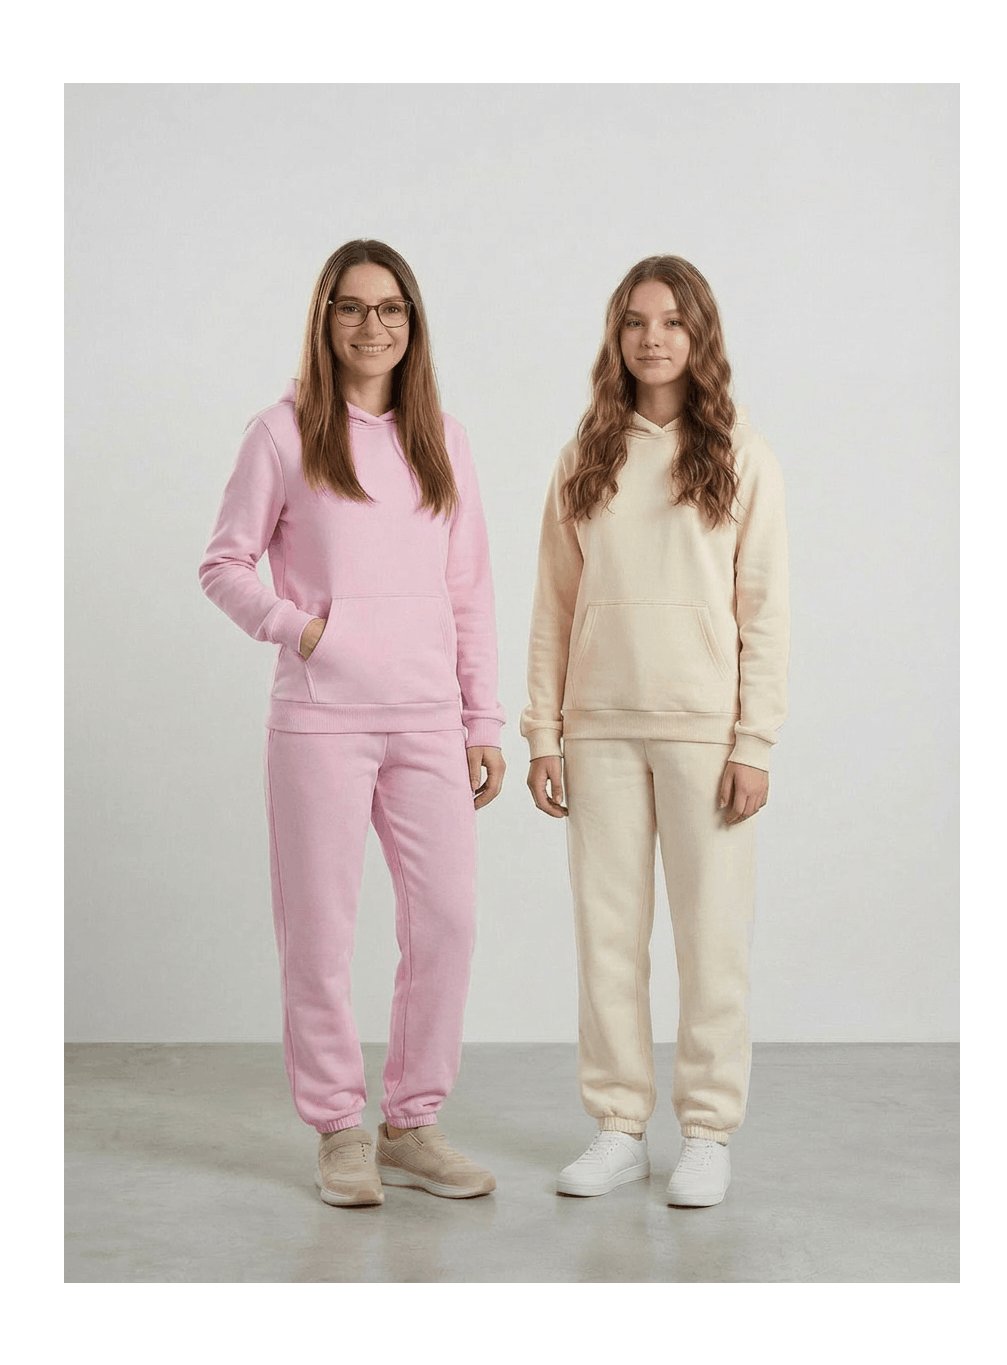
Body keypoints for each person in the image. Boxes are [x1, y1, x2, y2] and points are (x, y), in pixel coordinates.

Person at [199, 239, 505, 1207]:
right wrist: (304, 631)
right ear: (325, 319)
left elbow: (469, 589)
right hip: (321, 721)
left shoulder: (443, 438)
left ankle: (412, 1124)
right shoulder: (281, 434)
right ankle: (338, 1127)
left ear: (413, 323)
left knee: (447, 922)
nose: (373, 325)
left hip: (428, 719)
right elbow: (224, 564)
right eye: (352, 307)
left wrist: (482, 718)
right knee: (320, 933)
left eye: (391, 308)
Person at [522, 255, 789, 1207]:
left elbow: (765, 610)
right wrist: (543, 732)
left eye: (673, 321)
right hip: (597, 728)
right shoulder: (584, 455)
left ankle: (707, 1132)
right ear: (617, 335)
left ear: (699, 334)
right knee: (607, 937)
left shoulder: (742, 454)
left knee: (712, 939)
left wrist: (753, 741)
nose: (653, 337)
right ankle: (619, 1126)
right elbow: (554, 606)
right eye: (636, 321)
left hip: (703, 735)